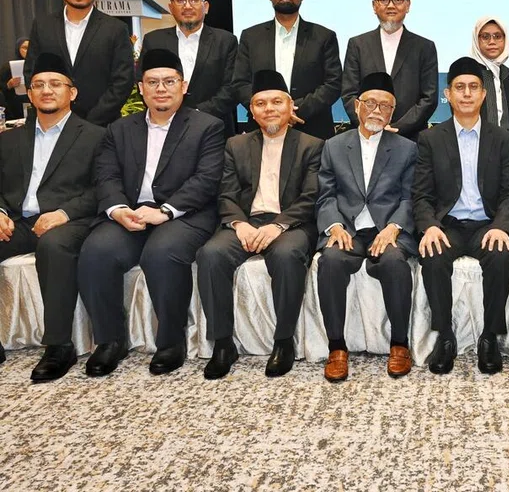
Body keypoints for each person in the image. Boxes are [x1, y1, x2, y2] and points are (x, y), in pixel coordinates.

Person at [77, 48, 225, 377]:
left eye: (169, 81)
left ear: (183, 86)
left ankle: (171, 342)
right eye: (153, 82)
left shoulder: (208, 127)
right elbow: (106, 176)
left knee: (162, 253)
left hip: (185, 214)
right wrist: (118, 210)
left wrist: (166, 211)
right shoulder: (118, 129)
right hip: (130, 213)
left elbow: (207, 179)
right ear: (141, 88)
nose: (161, 88)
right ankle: (110, 341)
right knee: (96, 251)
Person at [197, 70, 322, 380]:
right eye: (261, 103)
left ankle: (284, 342)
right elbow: (226, 194)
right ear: (251, 111)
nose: (269, 109)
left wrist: (278, 226)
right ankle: (223, 344)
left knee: (286, 255)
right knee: (210, 255)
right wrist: (239, 224)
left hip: (292, 224)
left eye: (277, 102)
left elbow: (310, 197)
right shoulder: (236, 145)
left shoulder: (312, 145)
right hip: (247, 222)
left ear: (290, 106)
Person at [413, 58, 509, 375]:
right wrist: (430, 226)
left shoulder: (504, 139)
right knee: (433, 255)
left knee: (501, 255)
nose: (467, 93)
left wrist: (502, 226)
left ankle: (490, 337)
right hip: (448, 225)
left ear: (484, 94)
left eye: (474, 87)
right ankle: (445, 336)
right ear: (448, 94)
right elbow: (421, 195)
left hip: (487, 224)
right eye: (460, 87)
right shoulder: (431, 139)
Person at [0, 53, 104, 380]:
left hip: (70, 222)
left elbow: (104, 188)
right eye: (39, 85)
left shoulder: (96, 136)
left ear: (72, 92)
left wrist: (64, 212)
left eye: (56, 84)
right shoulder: (10, 138)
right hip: (19, 220)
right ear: (29, 94)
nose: (47, 90)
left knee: (53, 246)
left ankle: (59, 346)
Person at [315, 72, 418, 381]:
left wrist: (394, 228)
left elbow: (410, 197)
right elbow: (325, 195)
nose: (377, 110)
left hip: (386, 229)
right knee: (330, 261)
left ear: (392, 112)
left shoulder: (406, 148)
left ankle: (399, 344)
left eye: (385, 106)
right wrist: (334, 226)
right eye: (370, 103)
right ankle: (337, 347)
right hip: (347, 229)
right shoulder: (334, 146)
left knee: (395, 262)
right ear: (357, 106)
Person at [234, 0, 342, 140]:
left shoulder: (324, 36)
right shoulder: (251, 37)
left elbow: (333, 84)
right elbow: (239, 83)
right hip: (261, 130)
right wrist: (267, 110)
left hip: (312, 129)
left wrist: (292, 111)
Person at [23, 0, 135, 126]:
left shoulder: (115, 29)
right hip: (51, 125)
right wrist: (55, 116)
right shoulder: (43, 27)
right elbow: (31, 74)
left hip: (101, 127)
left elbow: (123, 82)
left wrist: (89, 124)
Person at [341, 0, 439, 141]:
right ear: (374, 6)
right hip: (365, 136)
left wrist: (397, 127)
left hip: (410, 139)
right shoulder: (358, 44)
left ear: (408, 5)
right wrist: (370, 125)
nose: (391, 5)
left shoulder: (424, 47)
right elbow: (349, 94)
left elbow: (428, 98)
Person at [141, 0, 239, 135]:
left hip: (214, 129)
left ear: (205, 7)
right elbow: (144, 83)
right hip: (164, 128)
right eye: (180, 0)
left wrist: (196, 114)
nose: (187, 6)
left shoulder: (225, 41)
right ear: (171, 7)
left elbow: (232, 88)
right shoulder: (154, 41)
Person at [470, 16, 509, 144]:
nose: (492, 42)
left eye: (498, 36)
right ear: (476, 39)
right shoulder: (466, 75)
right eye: (485, 37)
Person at [0, 37, 30, 120]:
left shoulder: (37, 64)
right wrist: (8, 85)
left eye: (30, 48)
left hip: (33, 102)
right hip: (15, 106)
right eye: (24, 48)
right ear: (18, 49)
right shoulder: (8, 67)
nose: (28, 51)